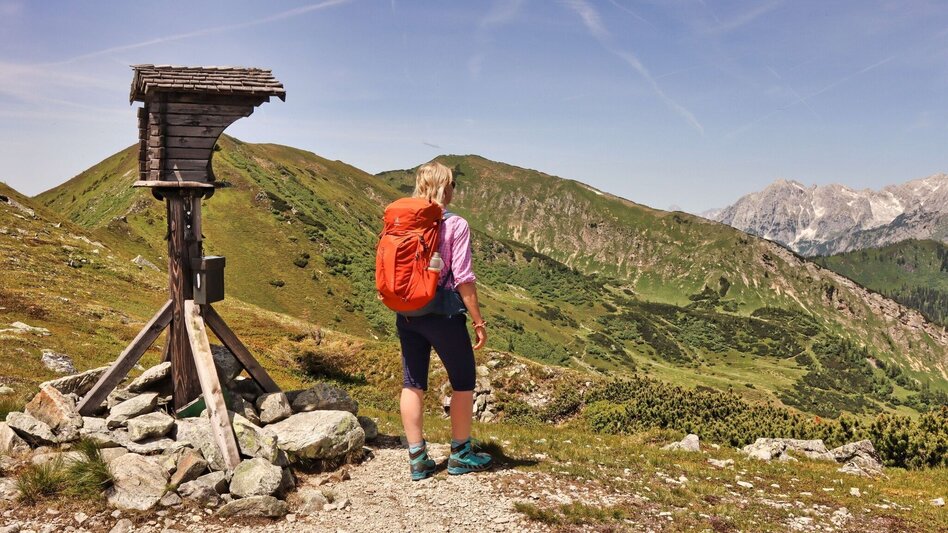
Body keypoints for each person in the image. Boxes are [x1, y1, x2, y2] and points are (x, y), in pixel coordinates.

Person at [396, 161, 492, 481]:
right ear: (444, 187)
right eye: (452, 184)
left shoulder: (403, 221)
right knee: (463, 381)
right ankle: (461, 455)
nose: (453, 189)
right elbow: (463, 278)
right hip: (443, 314)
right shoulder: (455, 224)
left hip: (407, 312)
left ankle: (417, 459)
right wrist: (478, 321)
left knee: (413, 382)